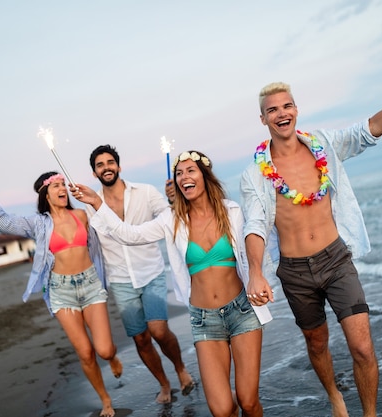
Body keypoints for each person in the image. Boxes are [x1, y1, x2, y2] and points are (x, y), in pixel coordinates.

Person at [240, 68, 382, 417]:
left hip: (336, 261)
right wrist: (256, 272)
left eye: (287, 106)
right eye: (273, 110)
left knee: (363, 348)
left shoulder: (323, 145)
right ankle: (335, 395)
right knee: (316, 343)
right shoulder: (254, 174)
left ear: (296, 110)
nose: (282, 114)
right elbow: (255, 224)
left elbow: (369, 129)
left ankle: (369, 414)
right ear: (263, 118)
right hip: (295, 271)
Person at [72, 150, 273, 417]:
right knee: (222, 410)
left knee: (248, 401)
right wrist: (98, 203)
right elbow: (129, 235)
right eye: (179, 173)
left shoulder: (231, 211)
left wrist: (258, 276)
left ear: (204, 175)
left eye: (190, 170)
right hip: (204, 319)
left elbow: (255, 241)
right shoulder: (172, 219)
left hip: (241, 312)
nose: (184, 177)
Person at [0, 168, 123, 417]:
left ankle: (112, 358)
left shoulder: (82, 215)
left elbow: (112, 225)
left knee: (104, 350)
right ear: (45, 194)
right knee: (85, 352)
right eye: (55, 186)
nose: (62, 189)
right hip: (61, 291)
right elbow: (2, 221)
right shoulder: (39, 223)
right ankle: (105, 399)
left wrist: (95, 199)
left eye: (63, 184)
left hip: (91, 285)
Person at [88, 144, 195, 403]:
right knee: (141, 338)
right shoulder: (90, 206)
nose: (106, 167)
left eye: (110, 162)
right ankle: (164, 384)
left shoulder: (145, 192)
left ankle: (181, 370)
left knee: (158, 330)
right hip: (120, 280)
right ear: (94, 173)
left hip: (152, 272)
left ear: (119, 166)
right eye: (100, 165)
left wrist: (173, 198)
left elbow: (171, 215)